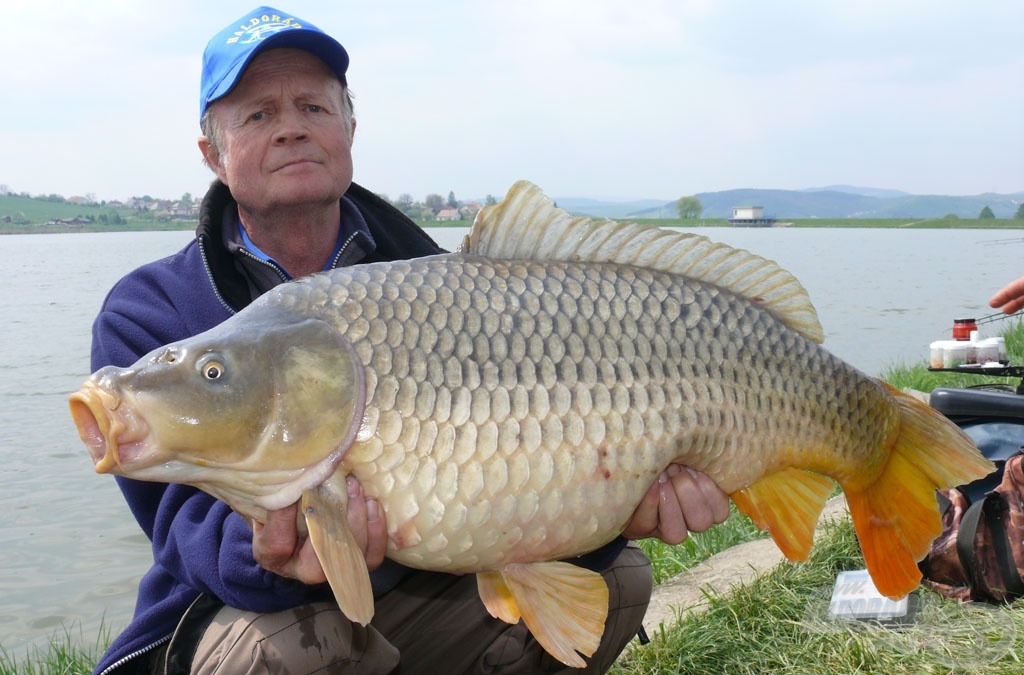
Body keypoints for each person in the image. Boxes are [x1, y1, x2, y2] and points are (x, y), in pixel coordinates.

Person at [88, 7, 731, 674]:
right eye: (258, 115)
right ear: (212, 154)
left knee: (619, 577)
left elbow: (521, 476)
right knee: (297, 646)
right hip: (235, 621)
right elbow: (192, 538)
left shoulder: (443, 286)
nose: (291, 127)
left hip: (422, 594)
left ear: (350, 128)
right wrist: (279, 546)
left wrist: (613, 504)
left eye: (313, 105)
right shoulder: (149, 311)